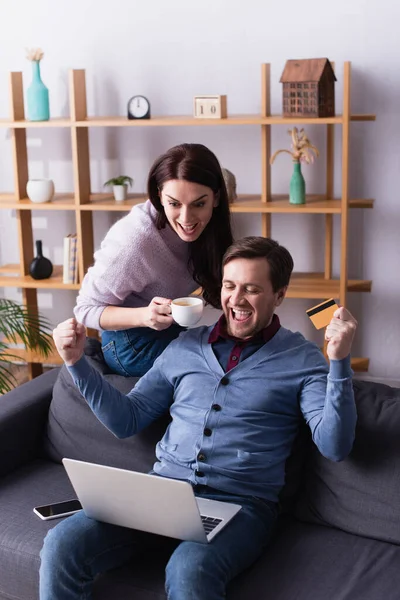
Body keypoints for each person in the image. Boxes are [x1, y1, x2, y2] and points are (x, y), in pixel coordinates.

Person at [41, 236, 358, 600]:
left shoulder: (302, 360)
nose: (236, 300)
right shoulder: (185, 346)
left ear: (279, 295)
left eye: (252, 289)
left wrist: (339, 362)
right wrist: (75, 363)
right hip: (161, 492)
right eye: (229, 285)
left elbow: (335, 445)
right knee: (61, 544)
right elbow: (126, 419)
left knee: (189, 570)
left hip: (241, 506)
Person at [74, 143, 233, 377]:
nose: (187, 219)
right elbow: (85, 309)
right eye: (174, 203)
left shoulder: (212, 228)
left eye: (199, 204)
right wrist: (144, 316)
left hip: (169, 329)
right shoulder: (134, 240)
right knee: (222, 370)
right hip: (128, 343)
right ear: (159, 196)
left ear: (216, 198)